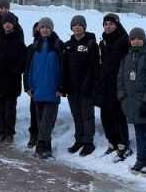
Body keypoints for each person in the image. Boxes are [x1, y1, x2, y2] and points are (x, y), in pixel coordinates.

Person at [118, 27, 146, 174]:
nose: (136, 41)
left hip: (145, 104)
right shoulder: (126, 58)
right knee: (138, 132)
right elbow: (120, 80)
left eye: (139, 39)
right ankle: (141, 159)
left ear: (144, 40)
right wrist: (122, 98)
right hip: (131, 104)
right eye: (133, 39)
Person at [60, 14, 100, 157]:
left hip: (86, 88)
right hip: (72, 88)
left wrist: (88, 85)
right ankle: (79, 140)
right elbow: (64, 67)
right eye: (75, 25)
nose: (77, 27)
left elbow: (94, 66)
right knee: (77, 115)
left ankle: (88, 142)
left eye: (80, 25)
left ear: (84, 27)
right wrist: (63, 86)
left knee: (87, 116)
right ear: (71, 27)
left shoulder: (90, 44)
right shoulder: (68, 45)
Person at [26, 16, 64, 159]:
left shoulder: (58, 45)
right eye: (42, 27)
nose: (45, 29)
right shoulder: (35, 46)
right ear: (38, 29)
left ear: (51, 29)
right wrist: (29, 86)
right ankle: (46, 146)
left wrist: (61, 86)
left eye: (47, 27)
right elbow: (30, 68)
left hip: (53, 88)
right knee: (41, 119)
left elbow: (62, 67)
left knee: (48, 119)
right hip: (38, 89)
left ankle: (40, 145)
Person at [96, 12, 132, 161]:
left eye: (111, 24)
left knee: (118, 116)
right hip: (105, 83)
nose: (108, 26)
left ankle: (123, 145)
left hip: (118, 83)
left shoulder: (124, 40)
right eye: (106, 24)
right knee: (105, 115)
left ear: (116, 25)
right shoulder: (103, 42)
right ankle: (112, 143)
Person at [0, 11, 26, 144]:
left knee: (10, 109)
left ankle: (10, 133)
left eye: (10, 23)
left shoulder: (19, 42)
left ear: (14, 25)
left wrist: (14, 72)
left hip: (12, 81)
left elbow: (22, 62)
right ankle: (1, 132)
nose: (8, 25)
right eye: (5, 23)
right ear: (2, 25)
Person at [27, 21, 41, 148]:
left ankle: (43, 136)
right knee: (34, 111)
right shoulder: (31, 47)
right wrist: (27, 86)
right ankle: (34, 135)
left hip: (46, 85)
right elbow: (27, 69)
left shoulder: (54, 44)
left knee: (45, 113)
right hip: (34, 86)